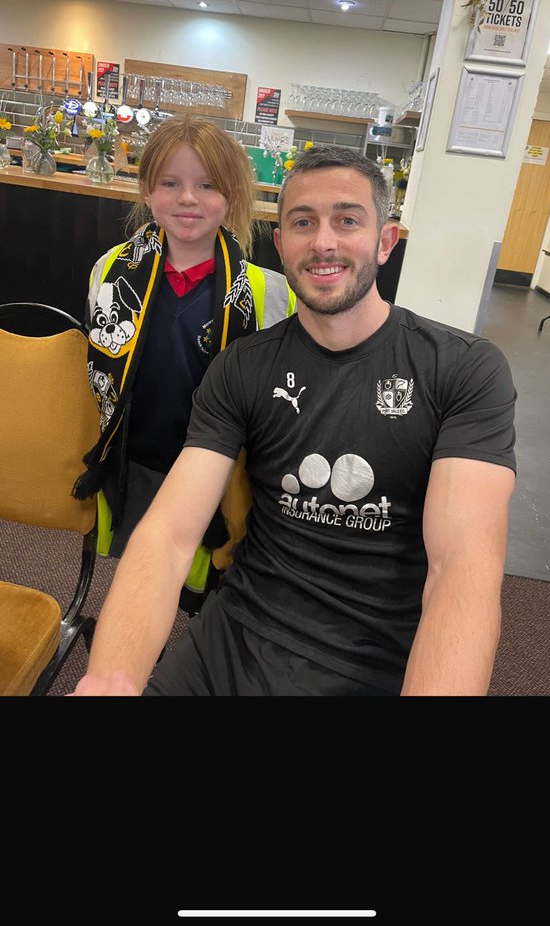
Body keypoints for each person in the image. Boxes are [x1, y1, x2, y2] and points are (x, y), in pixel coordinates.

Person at [71, 145, 516, 696]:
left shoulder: (462, 370)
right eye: (303, 222)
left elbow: (463, 570)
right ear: (280, 244)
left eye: (347, 220)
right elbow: (168, 534)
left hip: (378, 661)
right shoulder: (240, 367)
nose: (323, 241)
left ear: (385, 242)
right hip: (232, 642)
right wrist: (109, 679)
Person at [72, 114, 295, 610]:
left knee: (206, 588)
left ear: (233, 196)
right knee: (139, 578)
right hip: (137, 459)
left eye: (207, 184)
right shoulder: (110, 270)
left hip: (217, 476)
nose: (187, 198)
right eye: (169, 183)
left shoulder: (268, 294)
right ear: (147, 190)